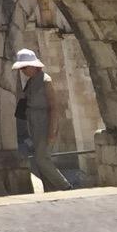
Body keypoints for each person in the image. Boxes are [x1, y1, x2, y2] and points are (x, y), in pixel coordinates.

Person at [14, 48, 77, 192]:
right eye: (21, 68)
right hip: (34, 125)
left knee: (42, 159)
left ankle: (65, 186)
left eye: (25, 67)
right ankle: (49, 189)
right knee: (38, 159)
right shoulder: (31, 82)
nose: (23, 70)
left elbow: (54, 107)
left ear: (33, 66)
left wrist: (52, 131)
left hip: (44, 124)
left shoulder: (45, 80)